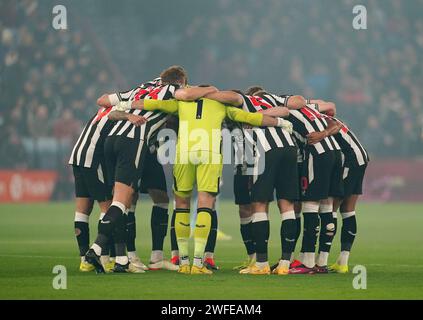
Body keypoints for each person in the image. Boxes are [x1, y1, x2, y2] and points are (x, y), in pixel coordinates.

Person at [117, 87, 293, 275]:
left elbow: (153, 104)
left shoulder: (181, 103)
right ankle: (199, 263)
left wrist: (126, 104)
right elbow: (251, 118)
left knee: (181, 204)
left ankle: (184, 262)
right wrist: (281, 123)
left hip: (184, 153)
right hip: (209, 154)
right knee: (205, 204)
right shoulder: (221, 104)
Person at [306, 102, 369, 273]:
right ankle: (342, 261)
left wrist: (322, 134)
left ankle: (322, 260)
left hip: (350, 159)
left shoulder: (318, 119)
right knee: (348, 210)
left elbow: (335, 126)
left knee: (330, 207)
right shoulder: (320, 115)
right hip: (360, 156)